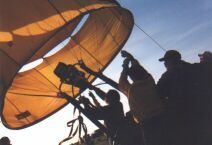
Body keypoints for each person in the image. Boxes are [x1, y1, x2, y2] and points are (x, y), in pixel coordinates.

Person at [119, 50, 164, 145]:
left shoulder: (131, 90)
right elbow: (141, 70)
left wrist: (125, 66)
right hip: (163, 118)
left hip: (147, 125)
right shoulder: (149, 82)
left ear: (131, 78)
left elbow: (122, 81)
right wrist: (131, 58)